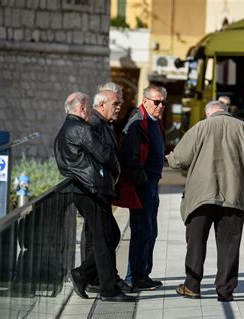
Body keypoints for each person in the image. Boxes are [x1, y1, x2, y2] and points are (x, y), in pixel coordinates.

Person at [166, 100, 244, 302]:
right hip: (234, 197)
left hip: (200, 198)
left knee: (196, 242)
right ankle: (225, 291)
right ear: (227, 111)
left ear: (208, 114)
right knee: (229, 245)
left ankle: (192, 286)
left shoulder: (200, 128)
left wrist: (169, 157)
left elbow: (178, 160)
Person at [54, 92, 132, 302]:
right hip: (91, 190)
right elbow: (104, 154)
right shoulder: (80, 128)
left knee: (111, 234)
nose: (90, 110)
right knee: (103, 238)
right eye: (88, 106)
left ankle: (84, 274)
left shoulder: (64, 130)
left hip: (84, 190)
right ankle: (107, 289)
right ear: (81, 108)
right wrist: (115, 172)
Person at [116, 85, 167, 291]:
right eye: (157, 102)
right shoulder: (137, 124)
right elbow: (129, 158)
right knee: (142, 230)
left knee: (150, 231)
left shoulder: (154, 122)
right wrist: (143, 179)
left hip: (151, 184)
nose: (161, 105)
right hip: (143, 186)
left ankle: (143, 273)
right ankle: (135, 276)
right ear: (145, 101)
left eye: (163, 102)